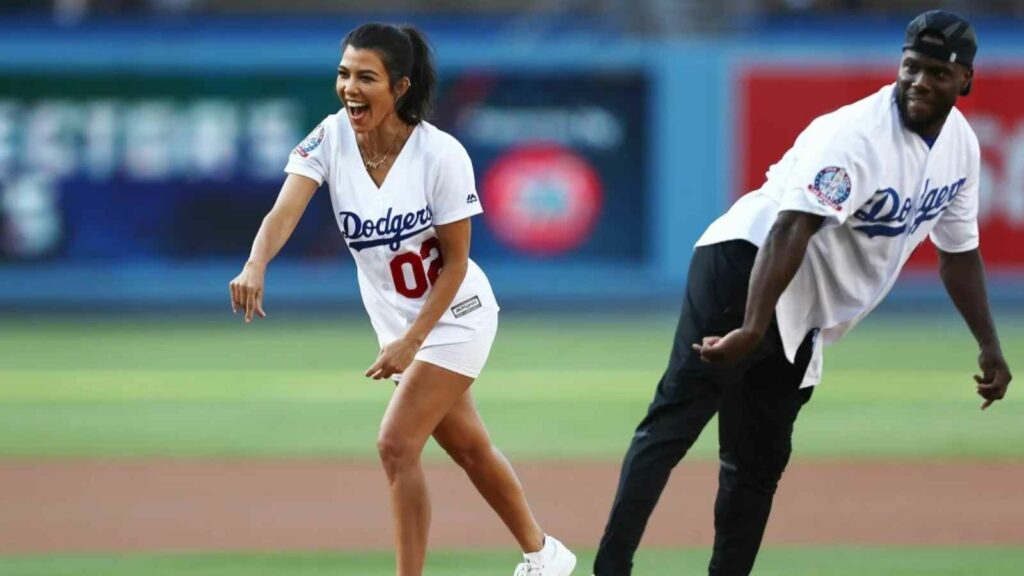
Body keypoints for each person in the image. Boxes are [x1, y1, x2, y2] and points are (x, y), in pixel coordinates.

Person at [592, 10, 1012, 576]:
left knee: (757, 462)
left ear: (965, 81)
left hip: (803, 311)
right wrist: (752, 326)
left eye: (937, 72)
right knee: (676, 421)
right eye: (911, 67)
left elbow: (958, 253)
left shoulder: (961, 148)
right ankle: (610, 568)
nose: (918, 81)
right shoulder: (856, 135)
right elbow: (791, 227)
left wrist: (989, 344)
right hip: (744, 264)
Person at [228, 23, 576, 576]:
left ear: (401, 87)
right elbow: (284, 211)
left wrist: (414, 342)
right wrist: (255, 262)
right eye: (344, 74)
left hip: (455, 314)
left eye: (367, 77)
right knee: (468, 448)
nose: (350, 88)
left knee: (395, 445)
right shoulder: (330, 137)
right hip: (398, 323)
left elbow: (457, 263)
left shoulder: (441, 156)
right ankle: (544, 553)